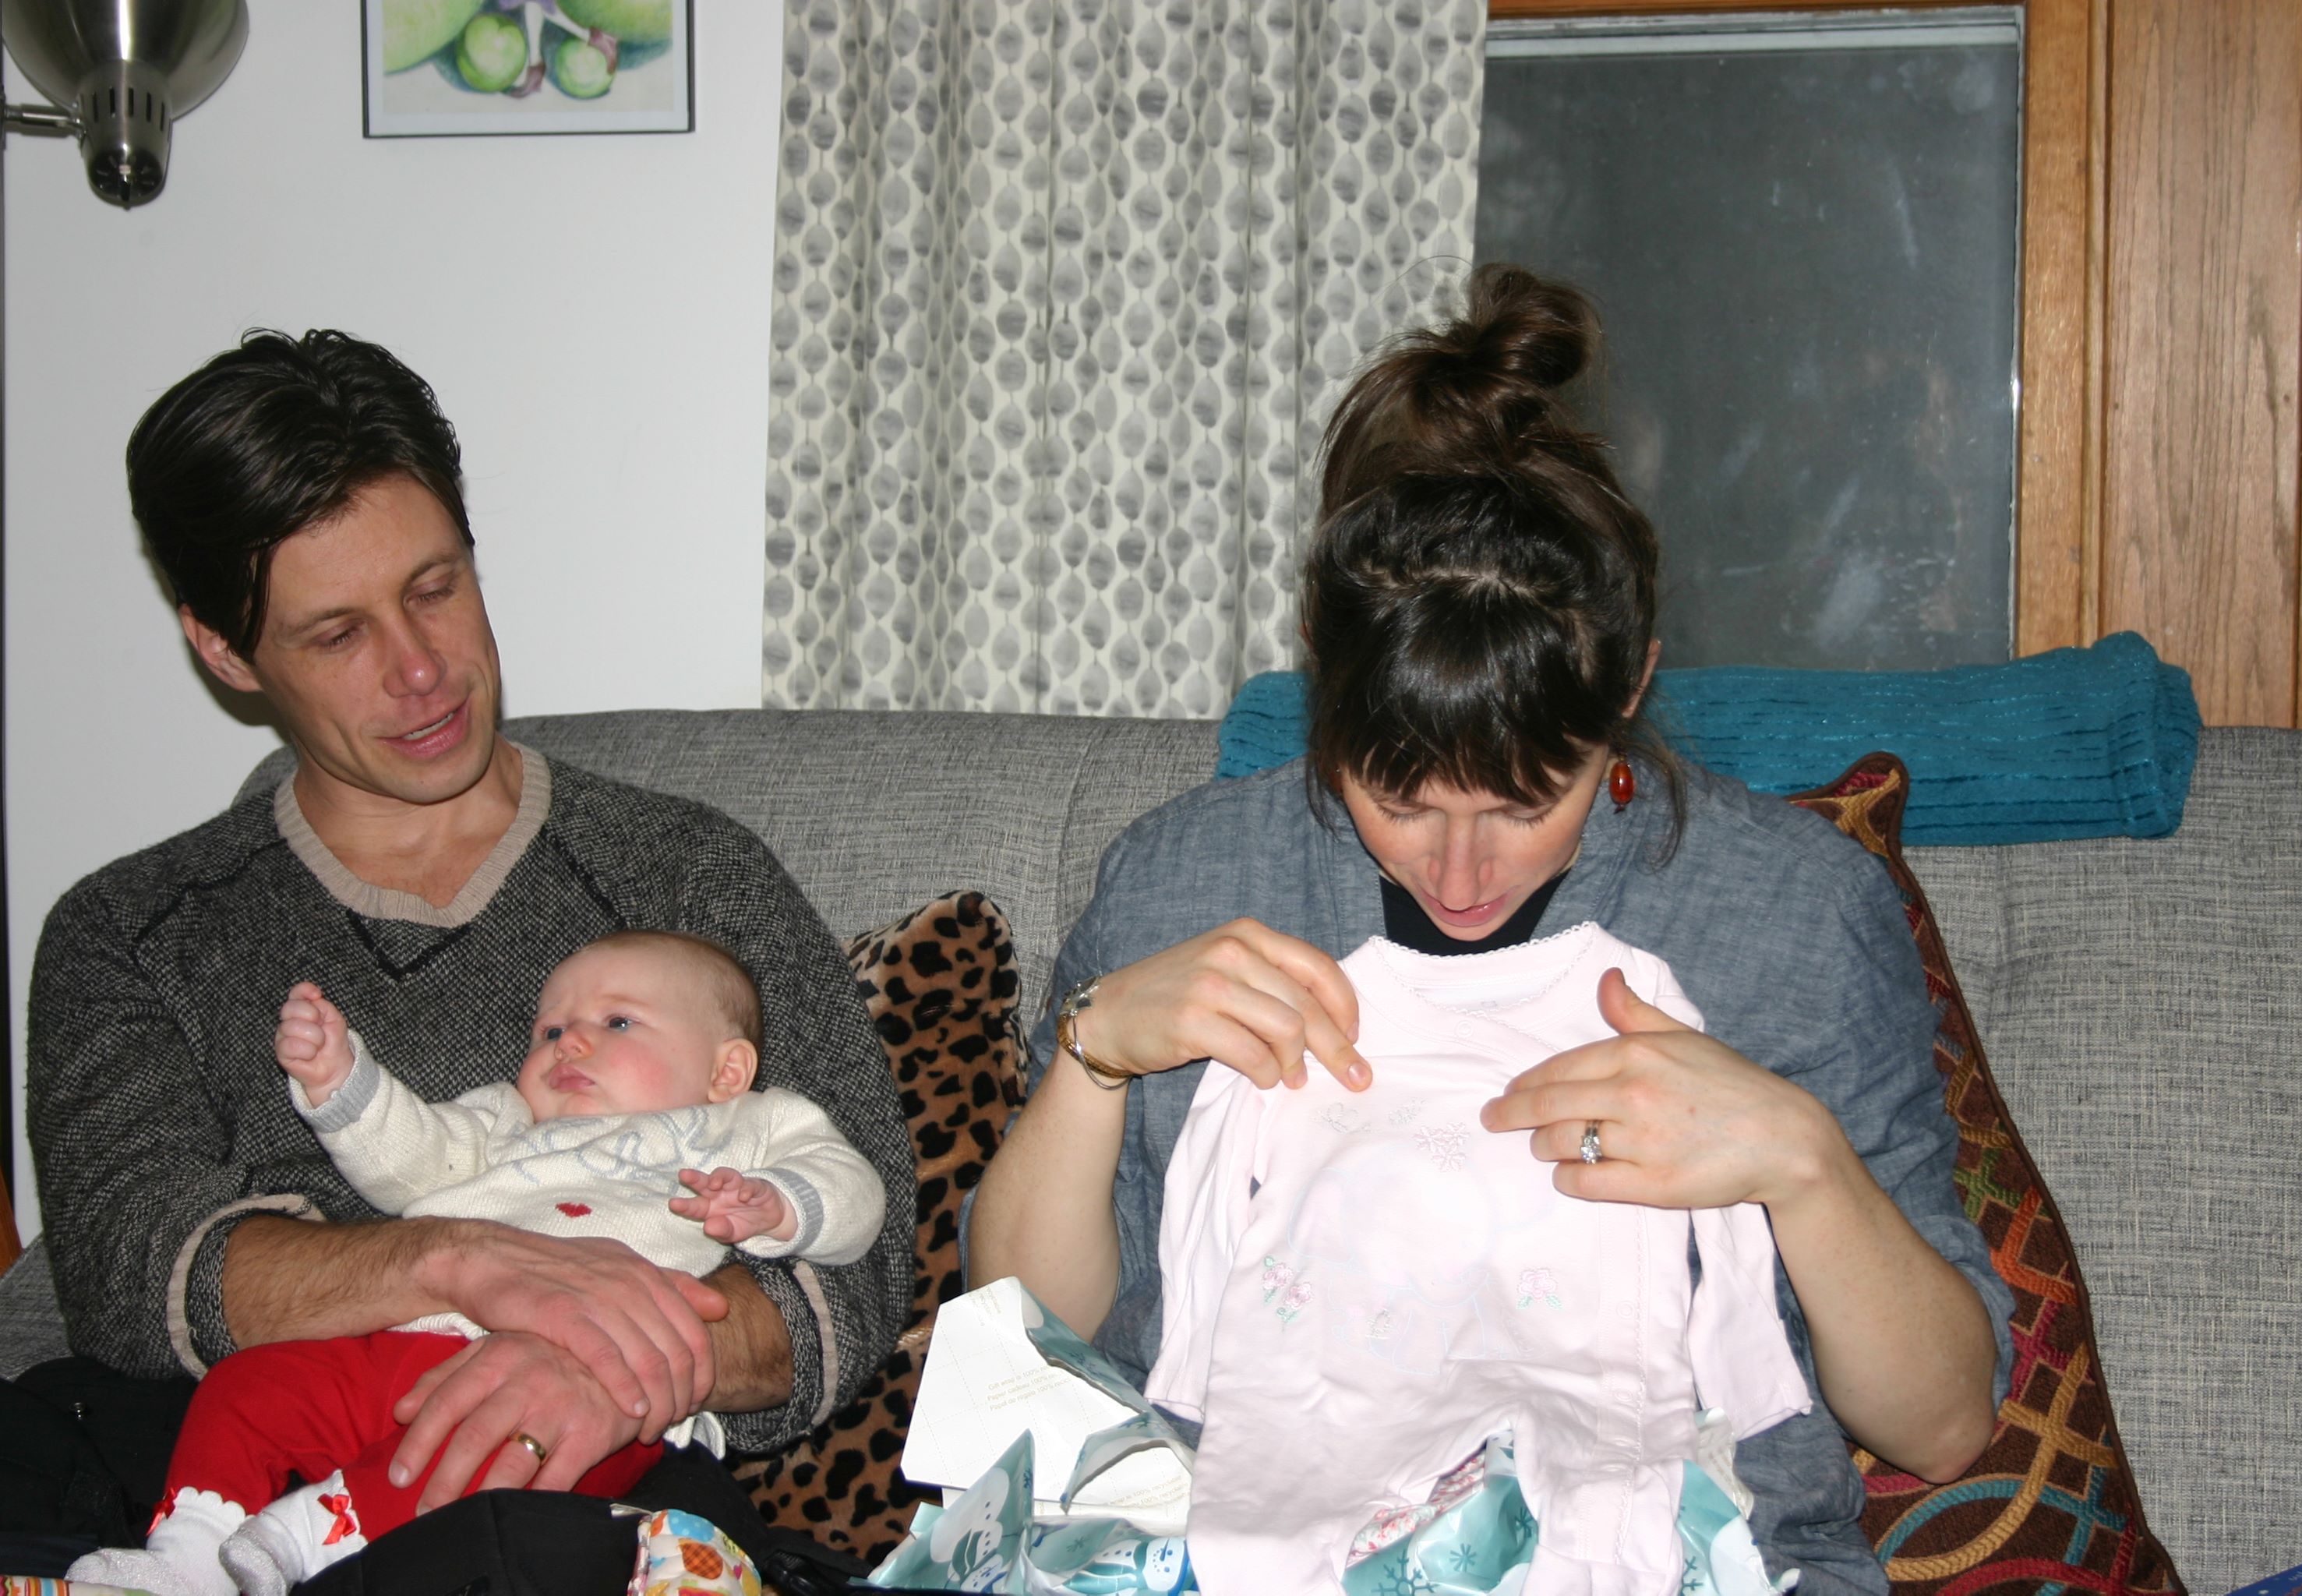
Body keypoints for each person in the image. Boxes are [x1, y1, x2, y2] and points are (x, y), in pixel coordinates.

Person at [966, 267, 2011, 1596]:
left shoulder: (1792, 913)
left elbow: (1941, 1425)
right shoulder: (1186, 877)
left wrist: (1801, 1162)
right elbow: (1032, 1350)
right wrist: (1096, 1049)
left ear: (1628, 686)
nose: (1459, 873)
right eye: (1397, 797)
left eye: (1525, 803)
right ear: (1323, 677)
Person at [25, 330, 913, 1541]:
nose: (420, 670)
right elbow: (129, 1268)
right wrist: (454, 1262)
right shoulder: (132, 934)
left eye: (435, 588)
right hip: (232, 1478)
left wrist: (612, 1369)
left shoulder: (689, 875)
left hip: (601, 1497)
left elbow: (862, 1252)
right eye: (338, 634)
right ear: (225, 651)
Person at [76, 930, 886, 1596]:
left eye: (618, 1022)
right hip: (403, 1342)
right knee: (247, 1388)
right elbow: (413, 1157)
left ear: (725, 1071)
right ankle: (189, 1553)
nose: (570, 1040)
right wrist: (342, 1082)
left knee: (497, 1468)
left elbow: (854, 1192)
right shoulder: (508, 1117)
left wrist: (778, 1204)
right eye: (550, 1030)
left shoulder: (749, 1125)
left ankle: (299, 1537)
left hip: (594, 1389)